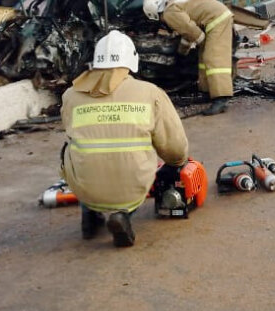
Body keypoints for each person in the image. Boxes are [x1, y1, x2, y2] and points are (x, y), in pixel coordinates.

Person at [61, 30, 189, 247]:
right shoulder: (150, 93)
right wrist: (177, 163)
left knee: (72, 149)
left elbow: (73, 137)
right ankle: (123, 215)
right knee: (130, 164)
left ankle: (91, 213)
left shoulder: (70, 95)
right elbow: (174, 146)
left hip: (86, 187)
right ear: (132, 60)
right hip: (133, 185)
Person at [144, 0, 234, 115]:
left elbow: (190, 31)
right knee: (203, 58)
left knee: (213, 58)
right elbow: (187, 33)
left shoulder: (169, 13)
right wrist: (184, 50)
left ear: (152, 14)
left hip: (217, 19)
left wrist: (183, 53)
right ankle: (208, 92)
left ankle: (222, 98)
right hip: (215, 16)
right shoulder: (172, 5)